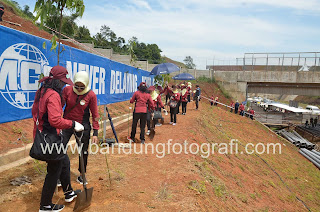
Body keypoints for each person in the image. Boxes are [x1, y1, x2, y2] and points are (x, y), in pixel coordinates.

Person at [32, 66, 84, 212]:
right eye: (62, 82)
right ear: (56, 81)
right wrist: (73, 124)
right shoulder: (53, 95)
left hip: (45, 135)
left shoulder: (42, 91)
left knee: (64, 161)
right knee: (54, 170)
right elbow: (55, 120)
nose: (64, 85)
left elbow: (34, 112)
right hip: (51, 138)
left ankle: (68, 193)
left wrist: (42, 125)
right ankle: (45, 205)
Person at [62, 71, 99, 185]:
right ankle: (59, 174)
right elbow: (59, 106)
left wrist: (95, 132)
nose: (78, 89)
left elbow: (95, 114)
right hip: (67, 123)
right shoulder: (67, 90)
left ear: (86, 84)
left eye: (81, 87)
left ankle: (82, 174)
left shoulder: (91, 95)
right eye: (76, 86)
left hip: (83, 125)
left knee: (83, 151)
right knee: (60, 148)